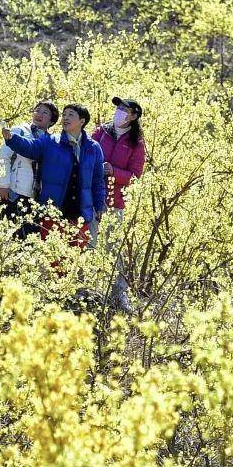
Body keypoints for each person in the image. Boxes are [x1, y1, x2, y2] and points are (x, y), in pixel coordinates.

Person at [1, 103, 105, 250]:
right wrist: (12, 139)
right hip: (54, 209)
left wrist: (99, 204)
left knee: (76, 258)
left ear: (82, 121)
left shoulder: (93, 148)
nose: (66, 118)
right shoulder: (51, 141)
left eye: (71, 115)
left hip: (81, 211)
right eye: (64, 114)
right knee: (52, 258)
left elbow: (97, 179)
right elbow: (30, 147)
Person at [91, 97, 146, 311]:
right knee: (88, 243)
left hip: (115, 201)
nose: (119, 112)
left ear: (133, 116)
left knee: (113, 248)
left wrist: (114, 172)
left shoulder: (136, 143)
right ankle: (83, 290)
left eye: (124, 109)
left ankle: (119, 295)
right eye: (118, 108)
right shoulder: (101, 132)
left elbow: (135, 176)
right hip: (92, 195)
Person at [0, 101, 56, 234]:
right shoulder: (20, 130)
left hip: (35, 197)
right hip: (12, 192)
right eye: (37, 110)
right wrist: (3, 184)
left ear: (51, 121)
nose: (39, 114)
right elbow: (2, 157)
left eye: (45, 112)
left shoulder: (51, 141)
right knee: (9, 232)